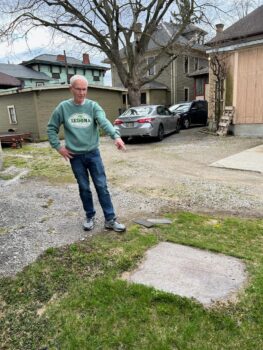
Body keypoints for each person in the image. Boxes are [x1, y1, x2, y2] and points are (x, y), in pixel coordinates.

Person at [47, 75, 126, 232]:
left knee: (101, 186)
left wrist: (115, 137)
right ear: (71, 89)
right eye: (78, 89)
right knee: (84, 187)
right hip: (75, 156)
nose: (82, 93)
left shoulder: (93, 106)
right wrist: (58, 147)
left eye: (84, 89)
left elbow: (104, 121)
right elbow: (51, 128)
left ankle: (110, 219)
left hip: (93, 154)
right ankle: (89, 216)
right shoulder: (63, 108)